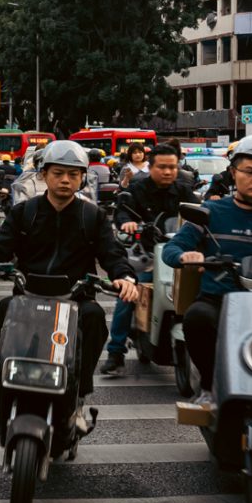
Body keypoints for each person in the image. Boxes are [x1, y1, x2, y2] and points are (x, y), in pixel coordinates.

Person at [0, 139, 143, 405]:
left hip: (75, 298)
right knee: (3, 308)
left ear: (83, 178)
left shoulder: (92, 216)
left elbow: (113, 254)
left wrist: (124, 277)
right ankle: (10, 377)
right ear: (44, 175)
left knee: (94, 317)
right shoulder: (24, 213)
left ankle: (81, 393)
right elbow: (0, 245)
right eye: (58, 173)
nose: (65, 180)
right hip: (29, 295)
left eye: (73, 174)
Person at [162, 135, 252, 434]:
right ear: (234, 173)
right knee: (197, 318)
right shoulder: (211, 212)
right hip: (221, 301)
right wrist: (187, 255)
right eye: (249, 172)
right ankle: (208, 385)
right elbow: (172, 250)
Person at [103, 143, 194, 376]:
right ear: (151, 167)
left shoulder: (184, 190)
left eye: (172, 167)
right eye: (162, 167)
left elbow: (199, 211)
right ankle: (116, 353)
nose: (167, 172)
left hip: (177, 258)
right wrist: (126, 222)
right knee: (128, 295)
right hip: (144, 256)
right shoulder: (136, 188)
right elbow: (123, 210)